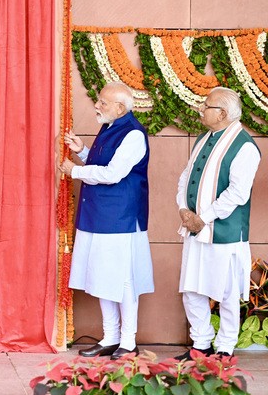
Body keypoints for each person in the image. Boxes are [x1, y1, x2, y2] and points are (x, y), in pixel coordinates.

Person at [59, 82, 154, 360]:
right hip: (98, 215)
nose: (97, 106)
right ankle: (111, 337)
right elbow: (103, 164)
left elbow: (113, 174)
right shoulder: (111, 127)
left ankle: (128, 341)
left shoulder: (134, 134)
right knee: (102, 276)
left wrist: (75, 170)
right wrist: (84, 151)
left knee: (123, 279)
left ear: (120, 108)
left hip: (120, 217)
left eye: (103, 102)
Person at [174, 87, 261, 359]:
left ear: (222, 113)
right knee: (191, 288)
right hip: (194, 228)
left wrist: (204, 218)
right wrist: (183, 209)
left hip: (225, 232)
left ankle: (224, 347)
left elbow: (237, 192)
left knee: (226, 293)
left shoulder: (244, 146)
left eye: (207, 106)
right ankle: (200, 343)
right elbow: (185, 176)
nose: (202, 109)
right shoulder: (204, 138)